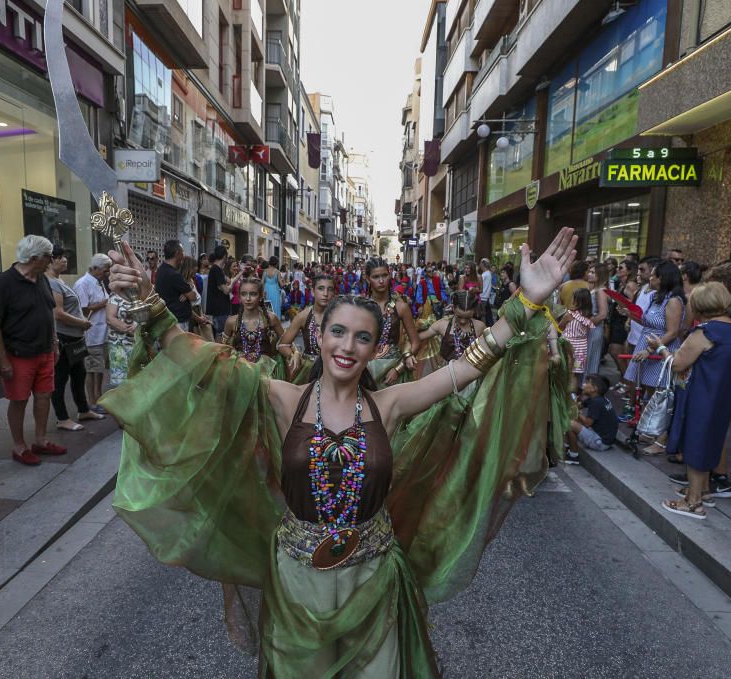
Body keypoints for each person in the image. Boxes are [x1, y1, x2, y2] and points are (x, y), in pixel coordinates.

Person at [100, 228, 577, 677]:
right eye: (338, 333)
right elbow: (203, 364)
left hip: (373, 576)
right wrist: (151, 306)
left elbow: (465, 368)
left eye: (363, 337)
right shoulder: (286, 399)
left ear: (373, 349)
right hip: (297, 580)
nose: (348, 347)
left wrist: (527, 301)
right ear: (320, 336)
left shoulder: (389, 406)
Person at [657, 283, 731, 520]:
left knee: (695, 442)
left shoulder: (705, 332)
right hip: (723, 396)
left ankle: (693, 502)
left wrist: (660, 348)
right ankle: (703, 491)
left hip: (701, 395)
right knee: (711, 440)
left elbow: (678, 364)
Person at [0, 235, 66, 466]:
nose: (51, 261)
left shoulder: (41, 279)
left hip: (44, 351)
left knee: (43, 397)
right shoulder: (3, 283)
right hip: (18, 353)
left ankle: (40, 440)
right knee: (19, 400)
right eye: (49, 257)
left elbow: (49, 311)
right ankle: (19, 446)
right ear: (34, 258)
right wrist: (2, 359)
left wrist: (55, 342)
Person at [624, 260, 686, 455]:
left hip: (660, 351)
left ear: (663, 278)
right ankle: (651, 431)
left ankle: (661, 440)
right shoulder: (655, 297)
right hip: (647, 345)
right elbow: (647, 321)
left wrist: (652, 350)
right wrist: (630, 314)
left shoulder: (673, 301)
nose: (649, 278)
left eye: (654, 275)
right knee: (649, 394)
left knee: (662, 395)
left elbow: (672, 332)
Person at [46, 247, 104, 431]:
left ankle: (83, 409)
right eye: (60, 257)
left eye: (64, 257)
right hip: (64, 337)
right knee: (61, 379)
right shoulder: (51, 282)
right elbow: (58, 313)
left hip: (75, 337)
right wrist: (81, 323)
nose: (64, 260)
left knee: (79, 375)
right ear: (50, 260)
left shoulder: (58, 280)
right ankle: (62, 418)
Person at [364, 257, 421, 386]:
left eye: (385, 275)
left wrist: (398, 368)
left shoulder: (401, 307)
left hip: (393, 372)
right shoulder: (361, 306)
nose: (381, 281)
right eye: (375, 277)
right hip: (364, 370)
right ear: (368, 279)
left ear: (390, 275)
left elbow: (416, 342)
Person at [278, 273, 337, 384]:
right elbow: (282, 344)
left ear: (334, 293)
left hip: (335, 370)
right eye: (321, 289)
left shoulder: (340, 316)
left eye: (330, 289)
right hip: (310, 371)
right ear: (313, 292)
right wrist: (294, 355)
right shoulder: (303, 316)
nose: (325, 294)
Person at [74, 254, 111, 411]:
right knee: (92, 369)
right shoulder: (83, 284)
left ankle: (99, 397)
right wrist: (104, 303)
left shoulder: (99, 282)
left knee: (99, 368)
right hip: (91, 334)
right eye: (104, 271)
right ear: (95, 269)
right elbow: (83, 309)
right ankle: (92, 401)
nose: (107, 274)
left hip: (103, 333)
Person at [221, 277, 285, 365]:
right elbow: (223, 349)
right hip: (240, 371)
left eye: (253, 294)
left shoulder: (271, 319)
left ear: (261, 296)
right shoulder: (231, 321)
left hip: (268, 372)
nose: (248, 298)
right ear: (239, 296)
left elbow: (286, 342)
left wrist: (295, 352)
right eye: (244, 294)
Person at [565, 375, 618, 463]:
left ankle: (573, 456)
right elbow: (579, 405)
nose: (584, 385)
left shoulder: (597, 403)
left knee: (569, 423)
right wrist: (579, 397)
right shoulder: (599, 399)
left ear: (594, 389)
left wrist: (575, 411)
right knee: (572, 417)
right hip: (606, 439)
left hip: (601, 442)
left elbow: (587, 423)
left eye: (587, 383)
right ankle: (567, 445)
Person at [155, 239, 196, 332]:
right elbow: (193, 296)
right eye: (182, 252)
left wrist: (185, 293)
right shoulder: (173, 274)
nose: (184, 255)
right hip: (178, 322)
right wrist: (187, 293)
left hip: (170, 319)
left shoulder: (162, 270)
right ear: (177, 253)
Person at [562, 288, 596, 393]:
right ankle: (573, 398)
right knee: (574, 374)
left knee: (566, 372)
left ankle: (564, 396)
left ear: (576, 300)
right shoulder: (589, 317)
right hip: (581, 349)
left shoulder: (569, 315)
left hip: (568, 347)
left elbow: (560, 326)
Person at [105, 289, 136, 390]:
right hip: (119, 344)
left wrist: (138, 325)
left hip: (138, 343)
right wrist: (128, 329)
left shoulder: (140, 293)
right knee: (120, 382)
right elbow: (110, 318)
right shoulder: (115, 296)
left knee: (137, 378)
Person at [585, 262, 609, 377]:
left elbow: (603, 314)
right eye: (589, 271)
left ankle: (588, 384)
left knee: (591, 357)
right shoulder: (595, 289)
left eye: (593, 272)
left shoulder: (600, 291)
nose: (589, 274)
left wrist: (587, 324)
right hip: (591, 326)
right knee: (587, 357)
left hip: (594, 328)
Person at [207, 246, 235, 338]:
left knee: (222, 333)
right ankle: (221, 352)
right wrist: (231, 285)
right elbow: (226, 291)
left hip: (220, 309)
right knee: (222, 334)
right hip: (220, 309)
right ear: (224, 256)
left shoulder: (217, 269)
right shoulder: (216, 269)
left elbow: (228, 281)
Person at [479, 259, 495, 326]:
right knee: (485, 314)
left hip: (482, 297)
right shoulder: (488, 273)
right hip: (486, 297)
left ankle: (482, 329)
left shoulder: (484, 275)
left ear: (483, 265)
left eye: (480, 263)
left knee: (482, 315)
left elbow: (480, 285)